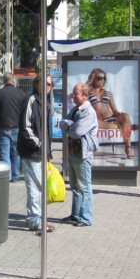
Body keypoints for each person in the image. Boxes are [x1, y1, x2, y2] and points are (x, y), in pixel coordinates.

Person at [17, 75, 55, 234]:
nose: (48, 86)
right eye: (45, 83)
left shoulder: (44, 102)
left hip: (39, 152)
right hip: (32, 152)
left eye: (50, 84)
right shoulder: (31, 100)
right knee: (36, 188)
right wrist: (39, 145)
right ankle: (36, 221)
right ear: (37, 84)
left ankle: (33, 218)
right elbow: (26, 128)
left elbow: (45, 129)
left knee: (37, 187)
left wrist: (47, 151)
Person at [59, 83, 99, 227]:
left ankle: (86, 218)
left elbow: (77, 132)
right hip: (73, 152)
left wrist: (69, 126)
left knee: (84, 187)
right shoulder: (76, 109)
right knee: (75, 186)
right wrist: (70, 125)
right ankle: (76, 215)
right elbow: (62, 123)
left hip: (83, 155)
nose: (73, 96)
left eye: (76, 93)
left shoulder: (88, 112)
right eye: (73, 93)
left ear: (85, 96)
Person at [86, 68, 137, 159]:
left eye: (104, 78)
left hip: (110, 118)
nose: (102, 80)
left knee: (125, 116)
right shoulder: (88, 92)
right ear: (93, 78)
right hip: (97, 120)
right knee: (95, 121)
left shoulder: (108, 93)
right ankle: (127, 127)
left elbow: (114, 110)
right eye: (99, 78)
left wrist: (119, 114)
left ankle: (128, 147)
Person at [0, 73, 28, 182]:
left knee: (5, 152)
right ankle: (15, 176)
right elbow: (25, 113)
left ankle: (7, 176)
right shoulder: (21, 94)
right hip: (17, 127)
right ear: (13, 80)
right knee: (16, 152)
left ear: (3, 81)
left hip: (3, 127)